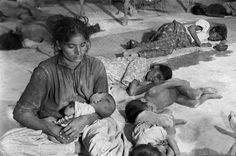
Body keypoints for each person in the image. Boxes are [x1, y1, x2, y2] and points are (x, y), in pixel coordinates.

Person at [0, 16, 115, 156]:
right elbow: (21, 112)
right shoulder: (45, 71)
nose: (79, 52)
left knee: (107, 126)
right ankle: (76, 149)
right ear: (59, 45)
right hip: (55, 126)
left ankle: (80, 147)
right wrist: (48, 127)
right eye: (71, 46)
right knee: (7, 144)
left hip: (89, 124)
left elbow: (104, 108)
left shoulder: (96, 66)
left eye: (83, 45)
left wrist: (84, 119)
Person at [127, 63, 222, 110]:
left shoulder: (152, 88)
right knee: (194, 104)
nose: (155, 79)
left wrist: (162, 83)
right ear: (156, 67)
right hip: (171, 93)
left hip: (176, 85)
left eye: (159, 78)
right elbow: (133, 91)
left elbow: (133, 91)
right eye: (158, 75)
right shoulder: (141, 67)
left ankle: (201, 90)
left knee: (194, 95)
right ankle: (207, 96)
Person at [123, 19, 227, 58]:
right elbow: (191, 29)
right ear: (213, 30)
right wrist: (199, 44)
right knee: (162, 44)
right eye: (216, 35)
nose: (215, 39)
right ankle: (137, 49)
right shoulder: (206, 25)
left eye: (217, 38)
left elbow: (223, 42)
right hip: (176, 30)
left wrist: (221, 40)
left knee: (167, 50)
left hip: (178, 39)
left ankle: (137, 52)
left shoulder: (208, 39)